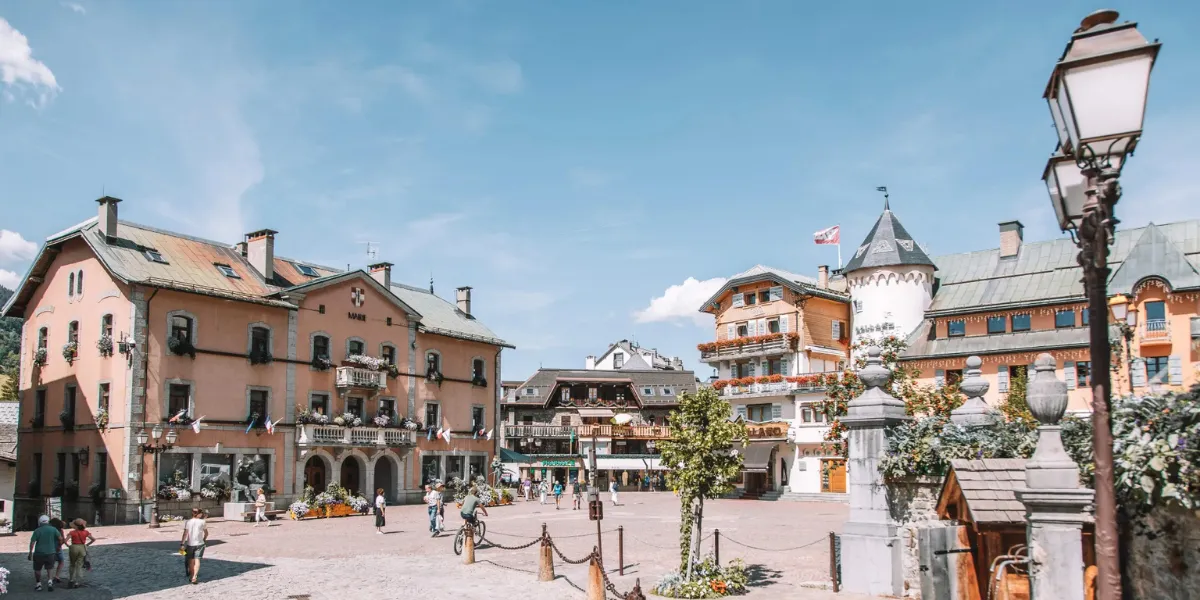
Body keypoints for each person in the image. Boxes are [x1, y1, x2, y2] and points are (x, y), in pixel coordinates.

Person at [28, 515, 63, 592]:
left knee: (37, 569)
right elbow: (60, 539)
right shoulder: (53, 529)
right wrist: (58, 547)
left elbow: (32, 542)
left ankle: (38, 584)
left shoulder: (37, 530)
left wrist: (30, 552)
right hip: (51, 552)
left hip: (39, 553)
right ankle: (50, 582)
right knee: (50, 568)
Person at [180, 508, 209, 585]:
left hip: (190, 544)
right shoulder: (203, 522)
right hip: (200, 543)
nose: (202, 514)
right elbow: (206, 533)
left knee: (191, 561)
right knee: (197, 560)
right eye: (201, 513)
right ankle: (194, 577)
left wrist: (182, 544)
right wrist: (204, 539)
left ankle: (191, 576)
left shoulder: (188, 522)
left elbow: (185, 534)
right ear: (199, 514)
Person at [66, 519, 95, 589]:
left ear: (75, 525)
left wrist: (68, 546)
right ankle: (77, 582)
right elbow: (93, 539)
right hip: (82, 548)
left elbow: (65, 540)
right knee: (79, 565)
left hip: (74, 547)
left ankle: (71, 579)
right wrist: (87, 545)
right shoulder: (86, 532)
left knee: (72, 564)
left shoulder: (72, 532)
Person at [50, 517, 67, 584]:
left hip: (51, 548)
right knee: (61, 561)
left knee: (51, 563)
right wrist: (60, 545)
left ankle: (50, 577)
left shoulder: (51, 531)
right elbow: (63, 540)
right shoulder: (60, 530)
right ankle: (57, 576)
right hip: (58, 548)